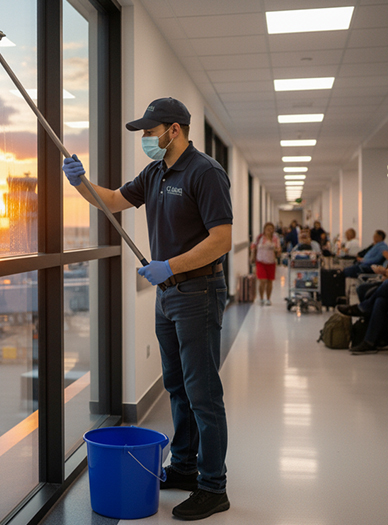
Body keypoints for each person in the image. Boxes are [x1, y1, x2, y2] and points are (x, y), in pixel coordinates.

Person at [62, 97, 232, 520]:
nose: (146, 139)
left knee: (203, 393)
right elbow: (112, 200)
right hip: (168, 295)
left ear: (174, 130)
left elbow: (221, 240)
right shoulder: (155, 172)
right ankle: (185, 466)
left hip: (198, 291)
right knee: (177, 386)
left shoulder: (205, 172)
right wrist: (81, 183)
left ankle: (214, 487)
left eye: (150, 132)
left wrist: (170, 266)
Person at [250, 222, 282, 306]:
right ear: (264, 229)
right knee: (262, 280)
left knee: (269, 281)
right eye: (268, 229)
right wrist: (252, 255)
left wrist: (277, 250)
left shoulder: (275, 239)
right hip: (260, 262)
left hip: (271, 262)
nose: (269, 231)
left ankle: (268, 298)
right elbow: (253, 246)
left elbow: (279, 250)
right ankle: (261, 298)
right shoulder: (260, 238)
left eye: (271, 229)